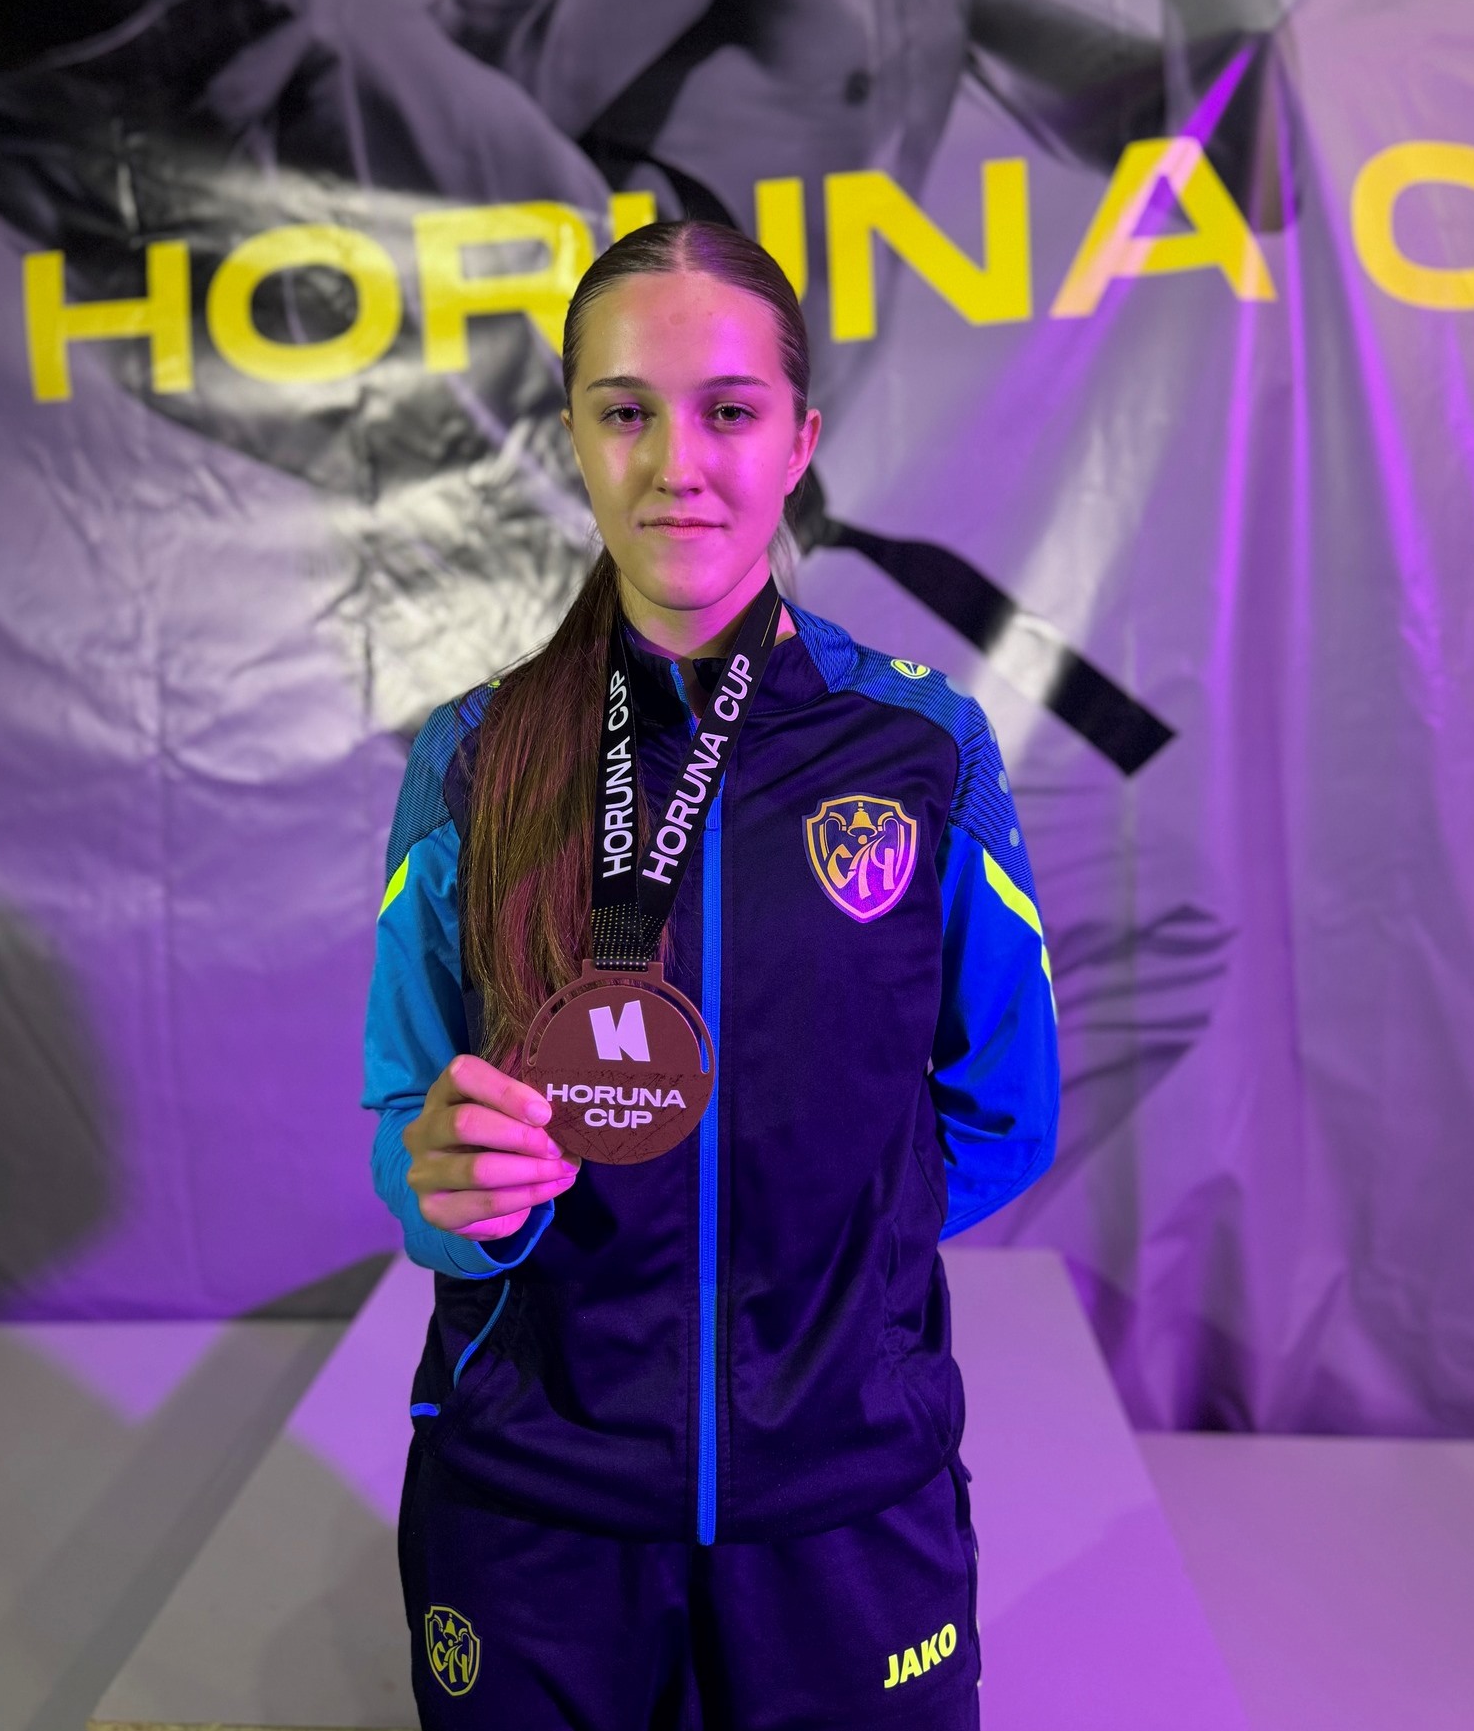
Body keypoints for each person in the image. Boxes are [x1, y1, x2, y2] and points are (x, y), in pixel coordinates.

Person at [362, 218, 1060, 1729]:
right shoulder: (474, 761)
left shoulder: (923, 750)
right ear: (574, 437)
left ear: (799, 440)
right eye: (625, 410)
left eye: (728, 411)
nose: (676, 463)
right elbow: (408, 1126)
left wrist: (832, 1280)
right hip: (535, 1504)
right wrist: (452, 1193)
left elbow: (1006, 1109)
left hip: (841, 1502)